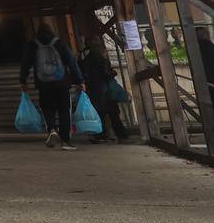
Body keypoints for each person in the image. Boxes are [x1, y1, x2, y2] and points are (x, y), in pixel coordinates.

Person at [19, 22, 83, 151]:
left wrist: (23, 81)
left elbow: (25, 64)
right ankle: (65, 140)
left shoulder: (33, 45)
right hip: (62, 83)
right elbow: (72, 62)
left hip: (43, 84)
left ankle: (52, 129)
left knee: (47, 109)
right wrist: (79, 80)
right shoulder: (60, 43)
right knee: (64, 110)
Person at [78, 31, 130, 144]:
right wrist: (113, 73)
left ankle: (100, 135)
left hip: (91, 87)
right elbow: (106, 74)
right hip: (104, 89)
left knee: (99, 113)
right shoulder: (99, 56)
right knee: (114, 114)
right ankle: (121, 135)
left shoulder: (82, 55)